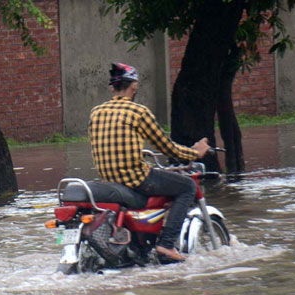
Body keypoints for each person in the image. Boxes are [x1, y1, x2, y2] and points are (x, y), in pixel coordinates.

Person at [88, 62, 210, 262]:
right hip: (137, 180)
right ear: (134, 87)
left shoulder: (96, 112)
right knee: (187, 186)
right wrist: (194, 153)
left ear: (112, 88)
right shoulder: (138, 112)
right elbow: (166, 147)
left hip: (109, 181)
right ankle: (166, 245)